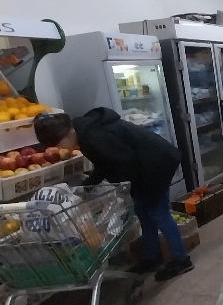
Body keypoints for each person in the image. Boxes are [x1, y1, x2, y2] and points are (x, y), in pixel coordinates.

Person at [33, 109, 193, 282]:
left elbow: (125, 162)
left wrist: (123, 187)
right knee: (143, 212)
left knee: (158, 212)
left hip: (156, 164)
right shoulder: (84, 132)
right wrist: (87, 187)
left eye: (58, 144)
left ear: (66, 134)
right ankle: (151, 258)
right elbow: (104, 163)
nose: (60, 149)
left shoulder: (93, 137)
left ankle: (181, 260)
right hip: (145, 165)